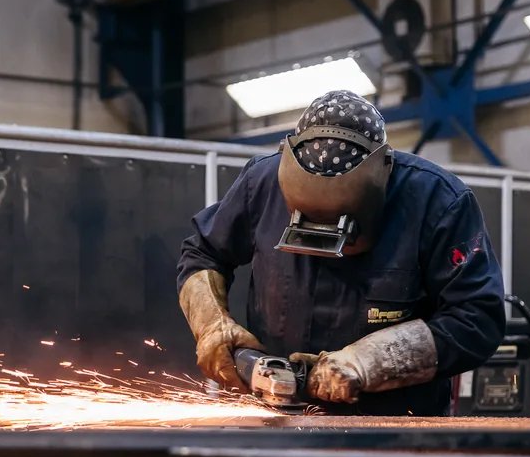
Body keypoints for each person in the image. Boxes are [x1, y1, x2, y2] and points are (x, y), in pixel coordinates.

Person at [177, 89, 505, 415]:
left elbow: (477, 319)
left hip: (395, 428)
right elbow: (203, 252)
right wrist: (212, 325)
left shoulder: (439, 203)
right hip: (276, 418)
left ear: (385, 170)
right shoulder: (261, 184)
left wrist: (368, 362)